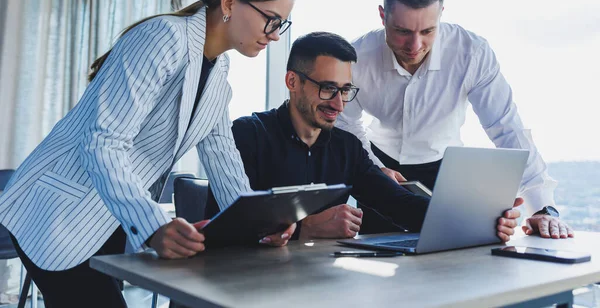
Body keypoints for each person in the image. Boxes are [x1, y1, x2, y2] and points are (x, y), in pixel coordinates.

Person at [0, 0, 297, 308]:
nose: (276, 35)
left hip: (106, 217)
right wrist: (154, 225)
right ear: (230, 2)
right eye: (271, 20)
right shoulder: (163, 38)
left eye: (282, 24)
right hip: (56, 212)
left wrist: (260, 222)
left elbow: (224, 161)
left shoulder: (218, 76)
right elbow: (102, 141)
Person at [205, 32, 522, 241]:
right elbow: (218, 226)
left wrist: (485, 220)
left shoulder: (346, 148)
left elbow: (402, 205)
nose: (339, 104)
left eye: (345, 90)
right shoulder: (247, 135)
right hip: (246, 289)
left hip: (318, 289)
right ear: (292, 81)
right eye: (328, 88)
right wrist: (305, 228)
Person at [335, 0, 574, 239]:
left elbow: (507, 127)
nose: (415, 46)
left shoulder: (472, 53)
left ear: (441, 16)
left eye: (427, 31)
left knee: (452, 263)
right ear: (382, 16)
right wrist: (374, 169)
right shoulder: (356, 56)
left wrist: (542, 207)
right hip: (379, 165)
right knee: (378, 253)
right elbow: (346, 123)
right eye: (402, 31)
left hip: (445, 170)